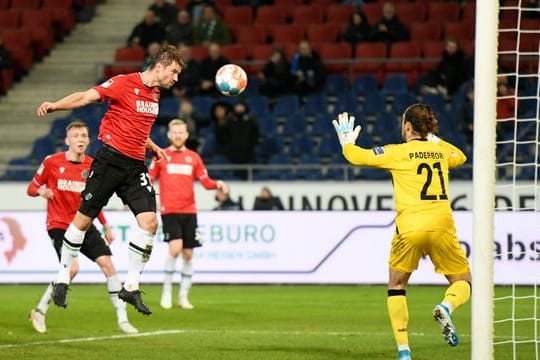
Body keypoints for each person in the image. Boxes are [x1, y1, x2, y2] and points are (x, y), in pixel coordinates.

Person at [36, 45, 185, 316]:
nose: (176, 78)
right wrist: (56, 105)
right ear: (160, 66)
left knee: (150, 222)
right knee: (82, 219)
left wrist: (151, 145)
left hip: (134, 166)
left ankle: (131, 285)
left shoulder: (155, 95)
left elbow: (137, 126)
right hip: (109, 161)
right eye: (174, 72)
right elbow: (85, 96)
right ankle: (62, 277)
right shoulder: (122, 83)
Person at [331, 106, 471, 360]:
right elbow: (460, 156)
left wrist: (347, 143)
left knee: (397, 286)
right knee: (463, 281)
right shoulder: (441, 152)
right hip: (441, 224)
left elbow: (357, 157)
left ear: (407, 127)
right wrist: (434, 139)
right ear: (428, 128)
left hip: (410, 226)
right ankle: (445, 306)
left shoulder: (398, 152)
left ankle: (404, 351)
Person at [27, 121, 138, 335]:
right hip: (59, 225)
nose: (80, 139)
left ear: (88, 140)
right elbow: (31, 188)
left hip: (85, 224)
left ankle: (123, 320)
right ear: (67, 140)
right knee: (73, 269)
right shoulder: (51, 162)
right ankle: (40, 310)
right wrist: (41, 191)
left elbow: (94, 200)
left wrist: (105, 225)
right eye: (76, 135)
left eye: (84, 136)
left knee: (108, 265)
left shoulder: (92, 166)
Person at [149, 119, 228, 310]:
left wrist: (218, 184)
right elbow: (149, 178)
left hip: (190, 211)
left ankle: (183, 296)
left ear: (186, 135)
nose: (177, 135)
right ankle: (166, 292)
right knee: (174, 249)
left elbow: (205, 181)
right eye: (174, 132)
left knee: (188, 254)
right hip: (170, 210)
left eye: (181, 132)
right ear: (169, 135)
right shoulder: (161, 156)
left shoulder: (194, 157)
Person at [215, 101, 260, 179]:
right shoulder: (229, 122)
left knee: (246, 176)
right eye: (237, 106)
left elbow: (255, 136)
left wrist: (250, 146)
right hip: (232, 154)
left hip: (247, 154)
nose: (239, 109)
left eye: (241, 106)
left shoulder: (251, 122)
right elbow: (222, 136)